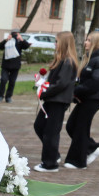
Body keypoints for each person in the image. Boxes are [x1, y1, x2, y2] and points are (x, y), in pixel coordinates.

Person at [63, 31, 99, 169]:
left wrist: (76, 91)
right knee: (72, 125)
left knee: (80, 128)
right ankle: (91, 148)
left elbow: (95, 83)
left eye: (89, 40)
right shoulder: (93, 59)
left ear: (96, 43)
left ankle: (77, 161)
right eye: (86, 40)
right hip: (87, 98)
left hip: (93, 99)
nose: (85, 42)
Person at [32, 31, 78, 173]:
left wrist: (45, 91)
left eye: (57, 41)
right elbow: (55, 82)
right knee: (39, 125)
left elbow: (61, 84)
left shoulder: (68, 62)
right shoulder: (61, 60)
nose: (55, 44)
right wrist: (43, 84)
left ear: (63, 43)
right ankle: (53, 155)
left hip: (58, 101)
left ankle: (50, 163)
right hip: (52, 100)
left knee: (51, 132)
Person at [0, 30, 31, 103]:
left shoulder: (19, 42)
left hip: (15, 66)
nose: (15, 36)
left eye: (16, 34)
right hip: (6, 65)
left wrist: (21, 39)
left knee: (12, 82)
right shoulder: (8, 41)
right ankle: (0, 96)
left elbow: (27, 46)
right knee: (3, 80)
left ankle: (8, 97)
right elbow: (0, 47)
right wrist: (6, 40)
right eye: (13, 34)